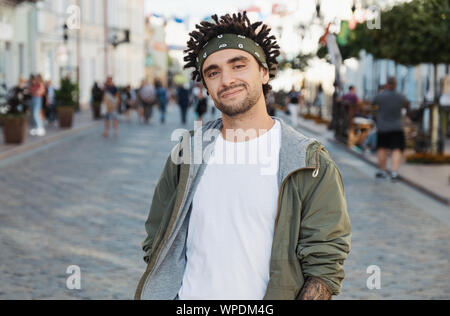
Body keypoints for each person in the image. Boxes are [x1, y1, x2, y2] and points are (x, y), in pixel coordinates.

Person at [135, 12, 351, 301]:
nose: (227, 80)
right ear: (205, 85)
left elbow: (325, 264)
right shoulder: (188, 153)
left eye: (239, 65)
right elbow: (157, 237)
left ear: (263, 72)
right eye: (213, 72)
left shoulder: (308, 161)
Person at [372, 76, 410, 182]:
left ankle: (382, 171)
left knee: (382, 148)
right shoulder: (401, 96)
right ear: (396, 85)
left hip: (383, 127)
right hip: (397, 127)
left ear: (387, 84)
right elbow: (407, 105)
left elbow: (373, 105)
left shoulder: (380, 96)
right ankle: (394, 172)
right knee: (396, 149)